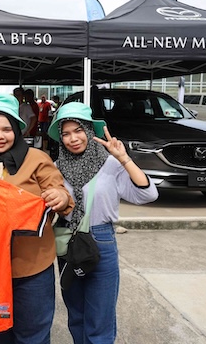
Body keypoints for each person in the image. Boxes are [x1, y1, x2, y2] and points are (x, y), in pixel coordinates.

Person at [0, 93, 74, 344]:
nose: (0, 136)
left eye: (7, 129)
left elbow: (62, 195)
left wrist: (60, 197)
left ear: (17, 131)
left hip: (32, 266)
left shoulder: (37, 159)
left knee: (33, 335)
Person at [48, 102, 158, 344]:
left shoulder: (110, 164)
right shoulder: (55, 168)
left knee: (100, 318)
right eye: (66, 134)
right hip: (67, 242)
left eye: (78, 130)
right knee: (76, 315)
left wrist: (124, 159)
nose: (73, 139)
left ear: (89, 131)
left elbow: (147, 194)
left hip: (100, 241)